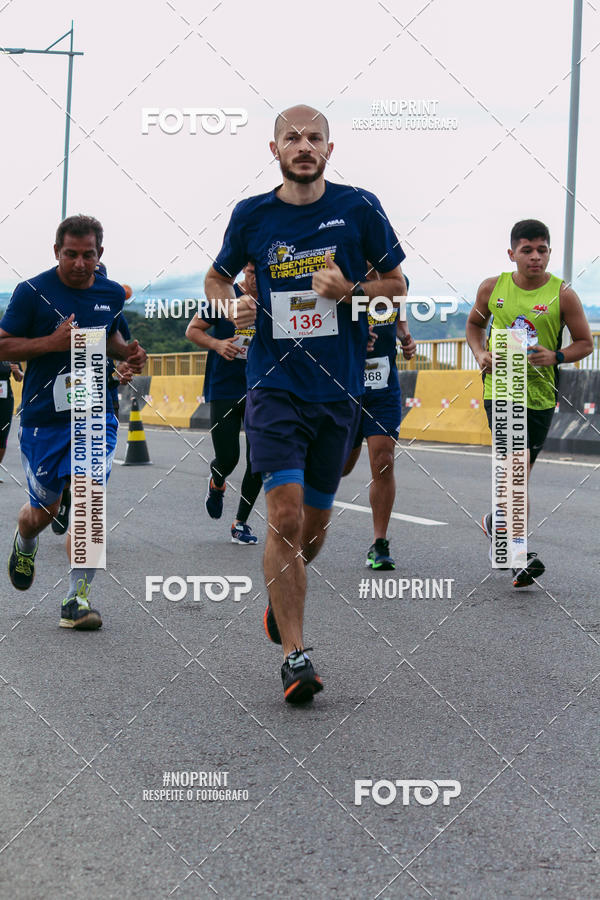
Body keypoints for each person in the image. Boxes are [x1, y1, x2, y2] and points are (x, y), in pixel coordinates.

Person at [205, 104, 407, 702]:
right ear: (274, 150)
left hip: (338, 389)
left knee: (314, 526)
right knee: (285, 516)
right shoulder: (252, 215)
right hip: (273, 384)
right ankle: (296, 655)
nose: (303, 145)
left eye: (313, 137)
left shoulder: (359, 207)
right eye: (291, 137)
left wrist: (352, 291)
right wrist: (228, 306)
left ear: (329, 148)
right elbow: (216, 278)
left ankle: (280, 594)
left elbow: (397, 287)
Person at [0, 214, 147, 628]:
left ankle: (76, 600)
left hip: (94, 413)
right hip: (44, 420)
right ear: (56, 252)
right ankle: (25, 539)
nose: (80, 263)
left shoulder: (110, 292)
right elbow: (2, 344)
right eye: (71, 255)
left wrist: (130, 353)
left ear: (100, 254)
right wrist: (51, 342)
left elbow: (113, 338)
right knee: (43, 511)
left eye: (88, 255)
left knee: (89, 503)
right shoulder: (32, 292)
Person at [466, 218, 592, 586]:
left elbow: (585, 343)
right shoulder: (493, 288)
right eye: (527, 250)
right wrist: (478, 353)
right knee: (516, 473)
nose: (535, 257)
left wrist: (556, 356)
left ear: (549, 253)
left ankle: (497, 526)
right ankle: (517, 554)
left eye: (542, 250)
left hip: (540, 397)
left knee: (519, 475)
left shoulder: (563, 294)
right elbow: (474, 326)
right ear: (512, 253)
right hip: (502, 390)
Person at [51, 264, 133, 536]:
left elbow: (124, 351)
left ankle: (84, 516)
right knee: (65, 455)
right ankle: (63, 497)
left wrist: (126, 367)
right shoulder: (61, 305)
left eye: (97, 277)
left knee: (90, 465)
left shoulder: (111, 307)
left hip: (102, 392)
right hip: (65, 389)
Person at [342, 268, 416, 570]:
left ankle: (379, 543)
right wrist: (355, 338)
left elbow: (399, 321)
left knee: (383, 460)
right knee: (340, 466)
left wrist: (406, 339)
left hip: (383, 386)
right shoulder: (344, 278)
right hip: (345, 384)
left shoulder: (398, 282)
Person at [185, 263, 262, 544]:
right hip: (224, 386)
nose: (255, 279)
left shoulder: (275, 298)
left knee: (259, 460)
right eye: (252, 272)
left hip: (261, 387)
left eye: (261, 273)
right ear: (244, 272)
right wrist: (218, 345)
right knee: (228, 457)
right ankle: (217, 482)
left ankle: (240, 522)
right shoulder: (224, 298)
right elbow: (192, 330)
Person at [0, 361, 23, 481]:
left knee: (2, 434)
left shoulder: (11, 350)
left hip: (4, 399)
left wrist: (17, 371)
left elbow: (19, 378)